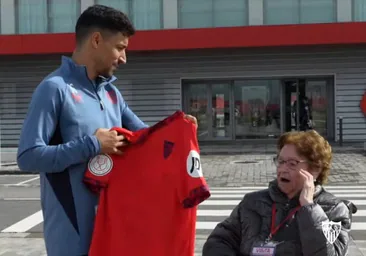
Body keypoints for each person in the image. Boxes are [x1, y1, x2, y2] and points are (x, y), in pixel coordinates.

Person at [16, 4, 197, 256]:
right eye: (120, 48)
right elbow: (28, 156)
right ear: (97, 40)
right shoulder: (54, 89)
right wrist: (92, 144)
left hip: (114, 234)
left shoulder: (111, 93)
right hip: (73, 240)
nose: (123, 58)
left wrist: (178, 131)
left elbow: (146, 140)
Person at [202, 130, 357, 256]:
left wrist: (309, 208)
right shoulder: (252, 202)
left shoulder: (334, 209)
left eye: (292, 163)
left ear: (315, 170)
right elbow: (219, 241)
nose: (282, 169)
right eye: (281, 161)